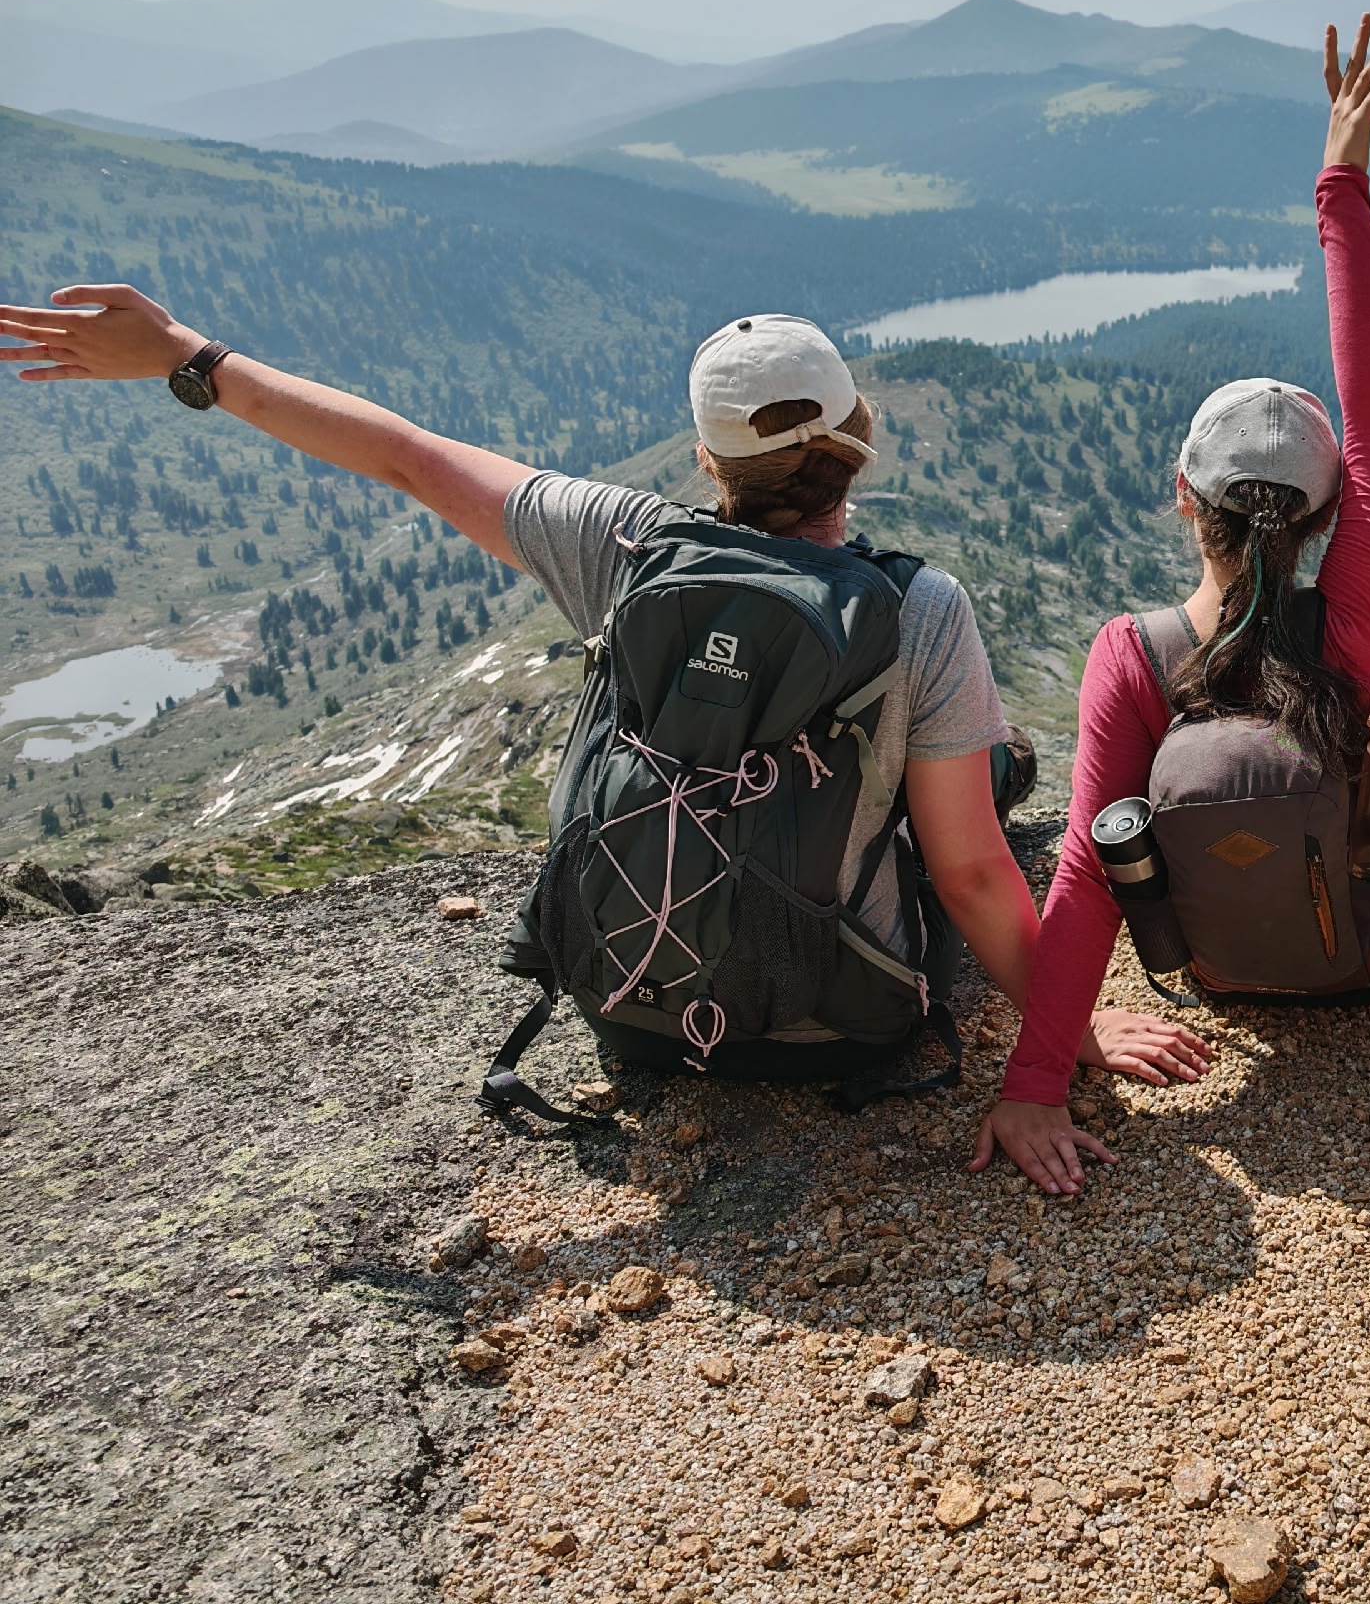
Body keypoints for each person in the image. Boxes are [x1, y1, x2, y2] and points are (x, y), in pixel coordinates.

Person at [0, 286, 1203, 1088]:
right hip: (842, 1023)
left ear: (704, 458)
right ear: (858, 439)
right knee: (985, 781)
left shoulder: (622, 549)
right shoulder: (919, 609)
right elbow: (972, 870)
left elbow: (404, 454)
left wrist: (187, 358)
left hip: (629, 1009)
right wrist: (1072, 1027)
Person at [971, 14, 1370, 1196]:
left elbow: (1083, 872)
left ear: (1183, 498)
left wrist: (1034, 1086)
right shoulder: (1363, 618)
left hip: (1212, 970)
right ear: (1330, 518)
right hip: (1368, 954)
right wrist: (1342, 182)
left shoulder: (1133, 654)